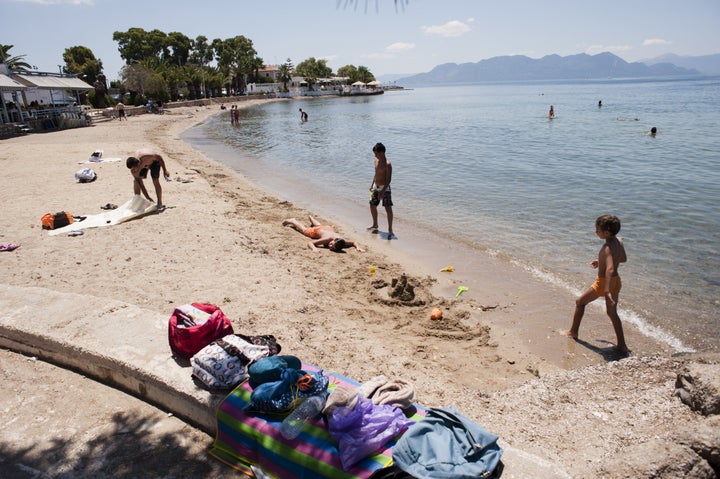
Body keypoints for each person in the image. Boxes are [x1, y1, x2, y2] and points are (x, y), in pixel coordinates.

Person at [562, 214, 629, 354]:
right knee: (612, 313)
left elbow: (610, 269)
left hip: (605, 283)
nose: (595, 232)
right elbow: (622, 259)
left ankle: (573, 332)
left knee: (580, 302)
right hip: (617, 281)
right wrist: (601, 262)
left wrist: (606, 291)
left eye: (597, 229)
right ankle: (622, 345)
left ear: (606, 232)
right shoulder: (619, 241)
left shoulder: (607, 247)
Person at [282, 216, 364, 252]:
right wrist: (314, 248)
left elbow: (353, 242)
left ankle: (311, 218)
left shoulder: (342, 241)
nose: (330, 246)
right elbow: (310, 243)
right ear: (334, 240)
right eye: (332, 244)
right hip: (318, 231)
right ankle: (292, 221)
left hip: (328, 228)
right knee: (304, 230)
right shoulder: (327, 239)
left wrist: (358, 247)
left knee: (319, 226)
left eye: (333, 247)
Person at [367, 142, 394, 238]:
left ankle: (390, 229)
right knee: (372, 205)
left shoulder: (388, 164)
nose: (375, 155)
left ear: (382, 152)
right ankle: (375, 225)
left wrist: (382, 192)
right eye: (374, 154)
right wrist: (371, 185)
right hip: (376, 186)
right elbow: (375, 174)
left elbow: (388, 179)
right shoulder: (376, 161)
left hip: (385, 188)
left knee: (388, 208)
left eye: (376, 153)